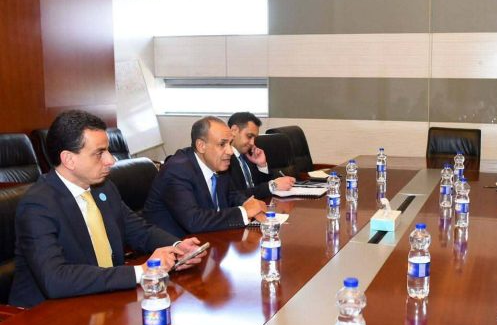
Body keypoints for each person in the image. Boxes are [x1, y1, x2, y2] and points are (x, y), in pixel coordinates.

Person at [9, 110, 204, 308]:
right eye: (99, 153)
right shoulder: (37, 205)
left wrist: (177, 247)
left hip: (101, 298)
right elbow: (55, 279)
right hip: (47, 314)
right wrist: (142, 271)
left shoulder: (104, 188)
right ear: (69, 159)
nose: (111, 160)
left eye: (108, 151)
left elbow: (140, 231)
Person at [143, 116, 268, 238]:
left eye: (230, 143)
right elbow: (194, 220)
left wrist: (248, 203)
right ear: (201, 145)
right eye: (222, 144)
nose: (230, 151)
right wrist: (244, 212)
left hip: (209, 238)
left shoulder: (217, 163)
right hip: (174, 244)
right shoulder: (177, 170)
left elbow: (230, 195)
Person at [227, 112, 295, 199]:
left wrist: (262, 165)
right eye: (249, 136)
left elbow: (261, 188)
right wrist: (272, 186)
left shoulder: (249, 155)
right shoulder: (224, 159)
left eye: (254, 138)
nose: (252, 143)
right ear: (234, 130)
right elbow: (233, 196)